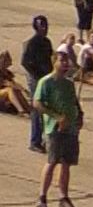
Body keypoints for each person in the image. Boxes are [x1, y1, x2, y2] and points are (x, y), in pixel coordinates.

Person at [32, 50, 82, 207]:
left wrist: (79, 115)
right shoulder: (46, 82)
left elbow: (73, 102)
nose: (66, 64)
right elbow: (37, 103)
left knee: (66, 163)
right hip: (54, 128)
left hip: (70, 128)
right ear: (54, 62)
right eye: (62, 61)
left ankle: (63, 197)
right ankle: (42, 196)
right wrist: (55, 116)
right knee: (52, 161)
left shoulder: (68, 84)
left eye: (67, 61)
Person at [22, 15, 53, 153]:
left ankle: (46, 139)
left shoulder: (47, 42)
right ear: (36, 27)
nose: (45, 28)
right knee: (37, 109)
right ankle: (35, 141)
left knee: (48, 108)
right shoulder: (32, 43)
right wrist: (37, 76)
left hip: (47, 78)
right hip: (36, 80)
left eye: (46, 25)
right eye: (42, 26)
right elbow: (25, 62)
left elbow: (49, 60)